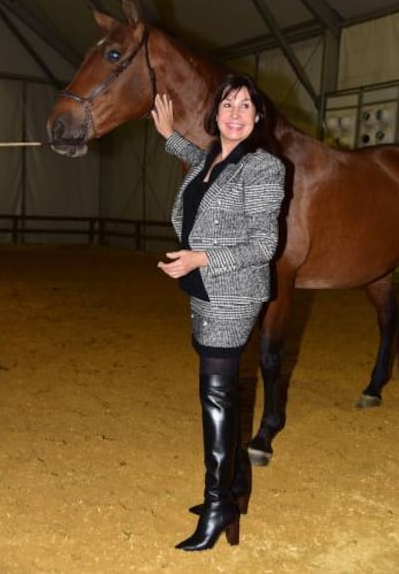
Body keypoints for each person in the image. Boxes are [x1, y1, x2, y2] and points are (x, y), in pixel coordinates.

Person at [151, 73, 285, 551]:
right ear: (217, 114)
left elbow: (264, 243)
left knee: (214, 398)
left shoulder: (264, 168)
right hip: (203, 288)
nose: (234, 113)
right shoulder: (212, 157)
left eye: (245, 106)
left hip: (231, 293)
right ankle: (233, 488)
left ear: (257, 117)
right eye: (227, 104)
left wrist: (200, 257)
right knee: (223, 393)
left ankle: (217, 504)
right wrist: (171, 137)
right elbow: (198, 165)